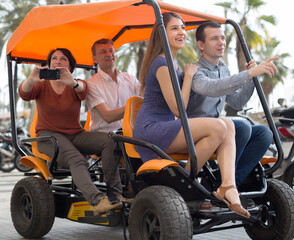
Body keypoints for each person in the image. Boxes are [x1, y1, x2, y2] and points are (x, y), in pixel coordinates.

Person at [133, 12, 250, 218]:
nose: (181, 32)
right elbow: (178, 109)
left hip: (167, 127)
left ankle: (227, 186)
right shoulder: (161, 64)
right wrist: (188, 78)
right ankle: (187, 185)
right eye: (174, 28)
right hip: (152, 129)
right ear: (162, 34)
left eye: (182, 27)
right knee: (219, 126)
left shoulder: (173, 62)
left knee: (228, 125)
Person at [18, 48, 126, 216]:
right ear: (49, 64)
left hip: (75, 135)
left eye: (63, 59)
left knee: (110, 140)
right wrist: (31, 79)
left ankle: (116, 193)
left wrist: (72, 82)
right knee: (75, 158)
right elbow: (24, 94)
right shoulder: (40, 85)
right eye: (54, 58)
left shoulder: (76, 84)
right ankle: (97, 201)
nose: (58, 61)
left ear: (70, 65)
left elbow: (83, 91)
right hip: (48, 136)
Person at [187, 21, 277, 189]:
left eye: (222, 37)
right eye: (214, 39)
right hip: (197, 133)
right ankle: (222, 185)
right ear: (201, 45)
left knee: (264, 133)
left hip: (220, 128)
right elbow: (212, 88)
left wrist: (251, 79)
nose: (221, 42)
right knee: (241, 127)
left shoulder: (223, 69)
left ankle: (231, 183)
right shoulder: (195, 71)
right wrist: (248, 73)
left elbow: (237, 102)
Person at [86, 38, 140, 133]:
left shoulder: (130, 78)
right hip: (106, 137)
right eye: (103, 52)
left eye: (111, 50)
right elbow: (108, 117)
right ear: (95, 59)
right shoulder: (91, 84)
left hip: (132, 133)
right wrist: (134, 105)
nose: (109, 54)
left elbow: (145, 98)